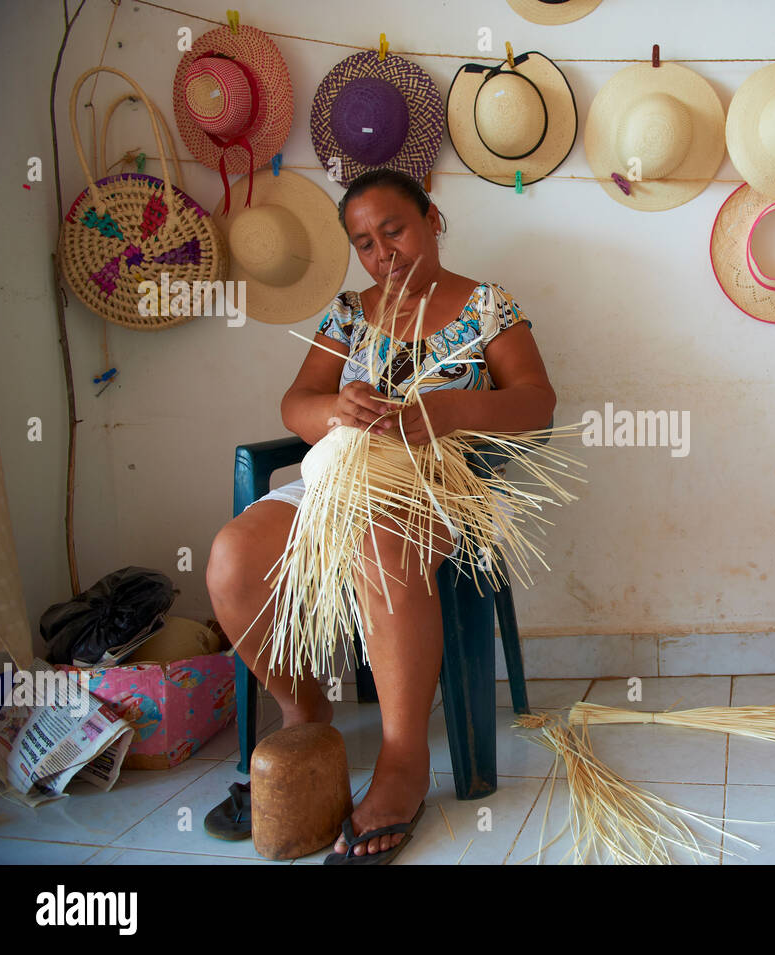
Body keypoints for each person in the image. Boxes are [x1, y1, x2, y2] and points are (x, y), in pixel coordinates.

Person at [205, 168, 556, 862]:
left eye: (393, 230)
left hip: (441, 489)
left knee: (381, 538)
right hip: (345, 480)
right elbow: (295, 403)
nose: (382, 252)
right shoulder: (347, 312)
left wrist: (452, 410)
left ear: (432, 219)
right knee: (232, 557)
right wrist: (334, 409)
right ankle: (305, 720)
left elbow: (537, 403)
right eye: (364, 242)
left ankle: (403, 764)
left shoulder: (487, 305)